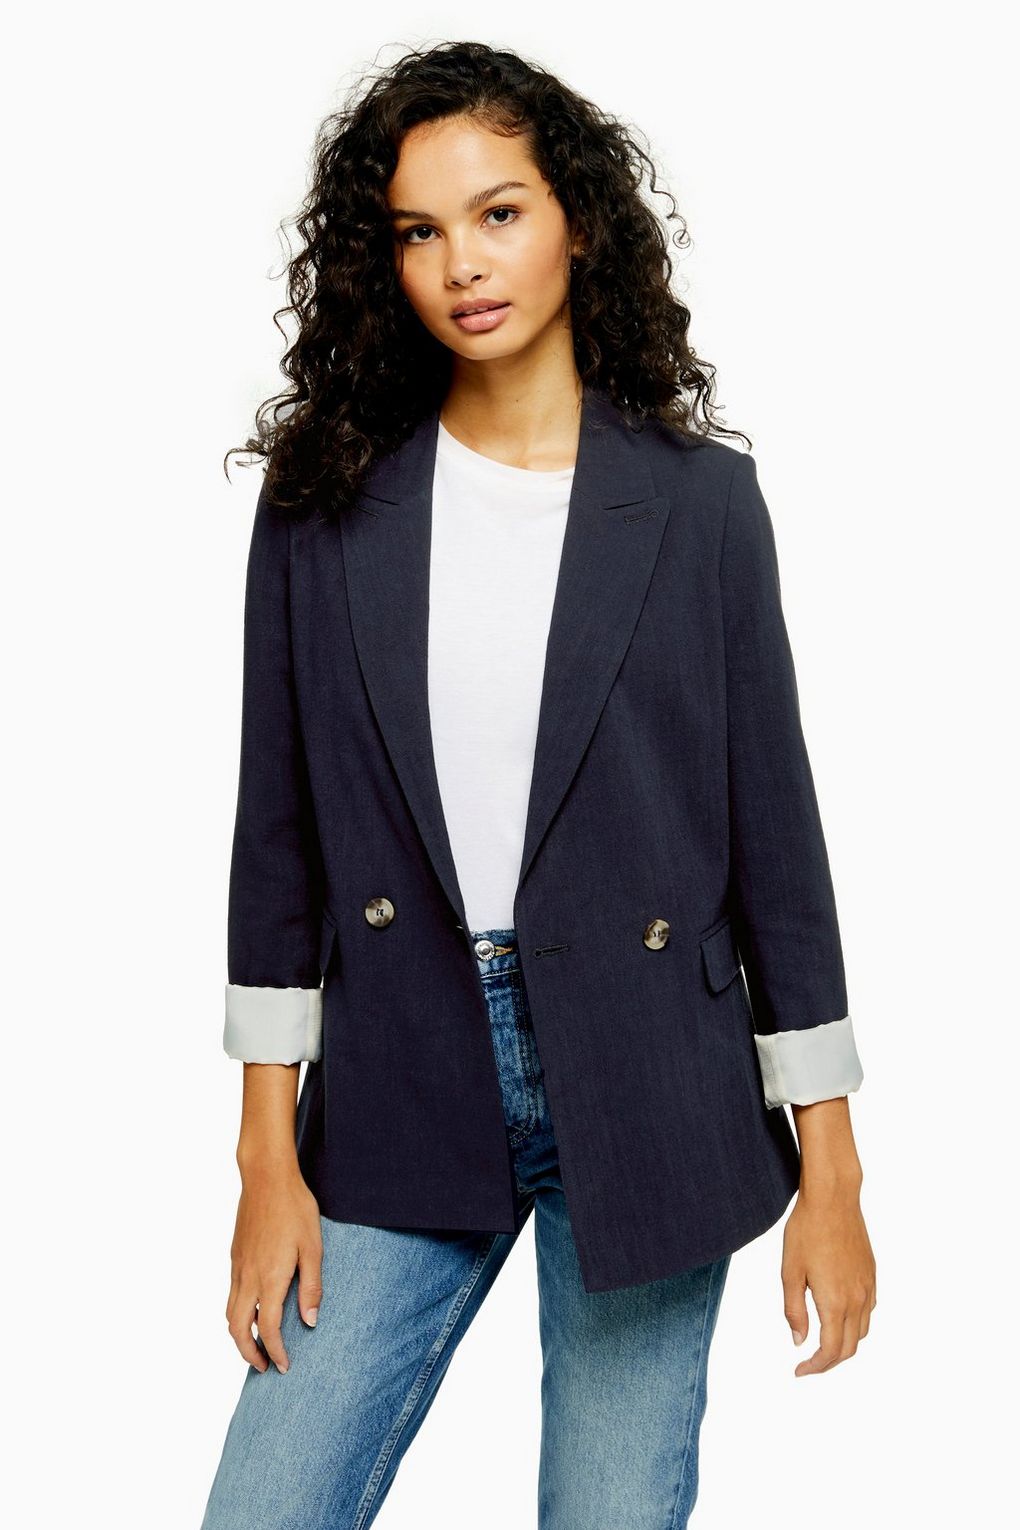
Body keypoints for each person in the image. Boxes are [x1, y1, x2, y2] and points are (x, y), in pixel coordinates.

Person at [201, 39, 877, 1530]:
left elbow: (778, 843)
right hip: (401, 1067)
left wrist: (833, 1171)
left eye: (499, 213)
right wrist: (264, 1160)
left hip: (654, 1079)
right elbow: (277, 846)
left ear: (576, 217)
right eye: (419, 230)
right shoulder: (323, 504)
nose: (463, 264)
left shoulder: (699, 503)